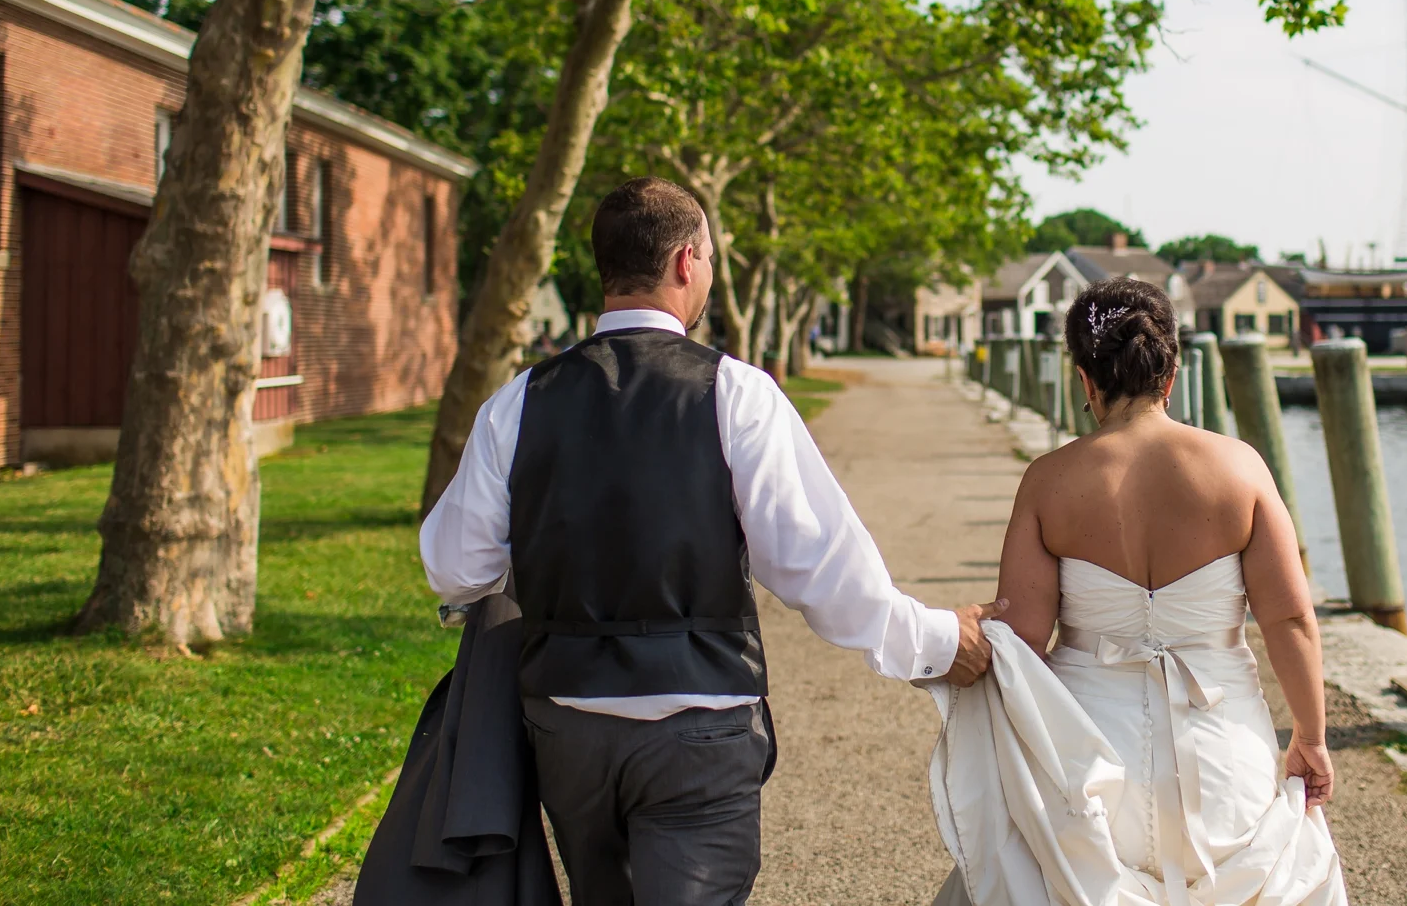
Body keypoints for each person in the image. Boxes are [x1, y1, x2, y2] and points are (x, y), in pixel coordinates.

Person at [421, 176, 1003, 906]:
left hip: (568, 727)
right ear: (687, 262)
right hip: (699, 728)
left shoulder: (519, 402)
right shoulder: (734, 392)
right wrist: (942, 640)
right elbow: (819, 570)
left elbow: (452, 566)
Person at [927, 277, 1346, 905]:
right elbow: (1290, 620)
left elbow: (1023, 640)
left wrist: (940, 637)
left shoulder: (1048, 482)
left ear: (1086, 381)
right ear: (1171, 372)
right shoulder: (1240, 468)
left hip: (1090, 762)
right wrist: (1310, 739)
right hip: (1225, 756)